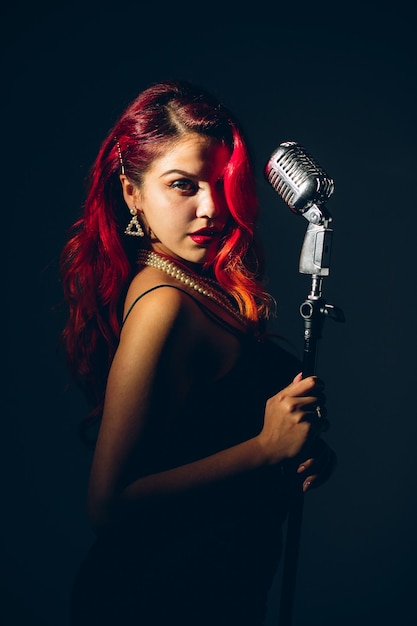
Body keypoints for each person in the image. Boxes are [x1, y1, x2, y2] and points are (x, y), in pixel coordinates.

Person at [60, 79, 335, 626]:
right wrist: (265, 449)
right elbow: (108, 505)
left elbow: (205, 439)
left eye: (218, 184)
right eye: (184, 185)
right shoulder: (164, 304)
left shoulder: (197, 288)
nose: (211, 208)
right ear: (132, 191)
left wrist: (296, 457)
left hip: (223, 594)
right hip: (156, 600)